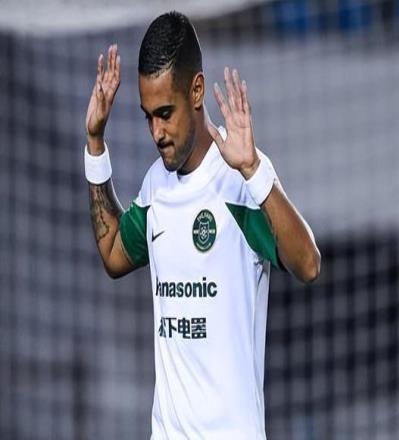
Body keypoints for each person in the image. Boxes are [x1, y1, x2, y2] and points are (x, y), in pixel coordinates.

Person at [84, 11, 320, 440]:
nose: (156, 132)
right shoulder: (156, 185)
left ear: (196, 90)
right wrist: (95, 144)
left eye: (165, 113)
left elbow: (308, 264)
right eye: (148, 116)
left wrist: (253, 170)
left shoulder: (239, 179)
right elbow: (114, 256)